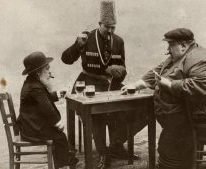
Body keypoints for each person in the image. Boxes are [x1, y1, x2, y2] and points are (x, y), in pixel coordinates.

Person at [122, 28, 206, 169]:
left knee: (172, 139)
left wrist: (170, 84)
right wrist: (137, 85)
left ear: (183, 45)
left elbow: (199, 86)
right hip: (205, 110)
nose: (168, 49)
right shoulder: (178, 57)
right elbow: (158, 71)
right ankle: (181, 159)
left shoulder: (204, 60)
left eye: (171, 45)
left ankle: (175, 162)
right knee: (174, 133)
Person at [61, 0, 146, 168]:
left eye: (113, 27)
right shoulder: (86, 38)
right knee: (96, 115)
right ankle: (102, 153)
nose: (110, 31)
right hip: (87, 85)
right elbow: (66, 59)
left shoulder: (119, 41)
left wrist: (119, 72)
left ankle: (116, 145)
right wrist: (77, 45)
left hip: (111, 86)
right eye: (107, 26)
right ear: (99, 24)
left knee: (130, 112)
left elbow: (123, 70)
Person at [17, 52, 78, 169]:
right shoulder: (35, 87)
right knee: (60, 136)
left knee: (59, 137)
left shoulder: (33, 83)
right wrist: (57, 122)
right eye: (47, 69)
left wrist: (57, 94)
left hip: (31, 125)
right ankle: (65, 163)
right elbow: (46, 107)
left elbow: (42, 100)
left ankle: (64, 162)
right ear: (38, 72)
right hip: (32, 128)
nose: (50, 72)